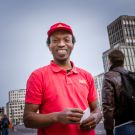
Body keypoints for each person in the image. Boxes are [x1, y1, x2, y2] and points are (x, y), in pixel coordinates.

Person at [23, 22, 102, 135]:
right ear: (49, 46)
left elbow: (96, 109)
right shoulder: (37, 76)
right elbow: (28, 119)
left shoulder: (87, 76)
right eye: (55, 40)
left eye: (66, 40)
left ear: (72, 45)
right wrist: (57, 117)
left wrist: (95, 117)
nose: (61, 44)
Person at [102, 49, 135, 135]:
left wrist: (109, 131)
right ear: (123, 61)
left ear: (110, 61)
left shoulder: (109, 76)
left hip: (123, 126)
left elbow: (108, 106)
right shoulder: (132, 75)